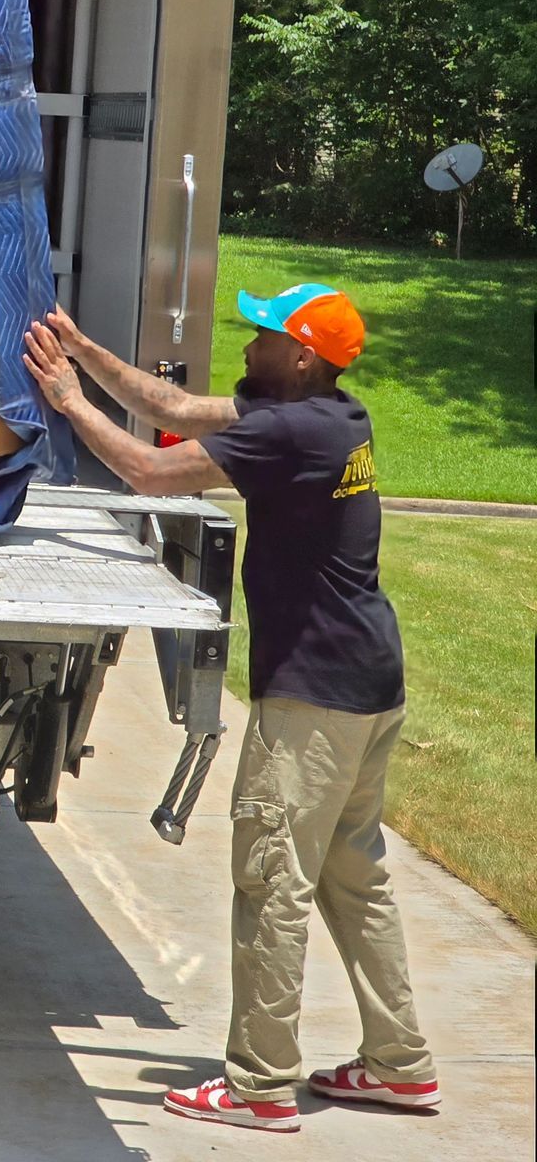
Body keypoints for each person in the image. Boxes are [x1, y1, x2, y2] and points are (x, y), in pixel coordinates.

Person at [22, 286, 439, 1134]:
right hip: (367, 684)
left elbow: (149, 468)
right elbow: (172, 406)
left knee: (273, 881)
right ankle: (399, 1065)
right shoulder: (332, 412)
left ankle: (258, 1087)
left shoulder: (289, 432)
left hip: (315, 695)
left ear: (302, 356)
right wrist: (86, 348)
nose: (246, 345)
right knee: (354, 881)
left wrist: (65, 400)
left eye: (262, 335)